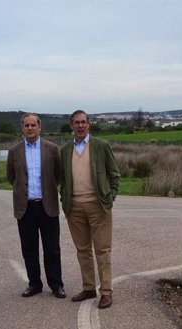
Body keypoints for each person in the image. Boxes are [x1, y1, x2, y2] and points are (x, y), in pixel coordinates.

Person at [60, 109, 120, 309]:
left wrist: (110, 197)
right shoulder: (66, 149)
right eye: (76, 122)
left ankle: (106, 291)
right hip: (74, 207)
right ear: (71, 125)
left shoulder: (101, 146)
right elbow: (62, 179)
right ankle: (88, 288)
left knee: (102, 250)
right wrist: (64, 200)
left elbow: (114, 174)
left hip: (98, 205)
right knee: (82, 250)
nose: (80, 126)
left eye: (83, 122)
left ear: (89, 124)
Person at [6, 114, 65, 299]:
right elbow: (11, 177)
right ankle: (34, 284)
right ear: (22, 128)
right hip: (26, 208)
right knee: (29, 249)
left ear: (40, 127)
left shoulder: (52, 149)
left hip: (47, 206)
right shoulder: (14, 151)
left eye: (33, 125)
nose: (30, 128)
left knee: (52, 249)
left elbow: (59, 174)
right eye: (26, 125)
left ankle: (56, 285)